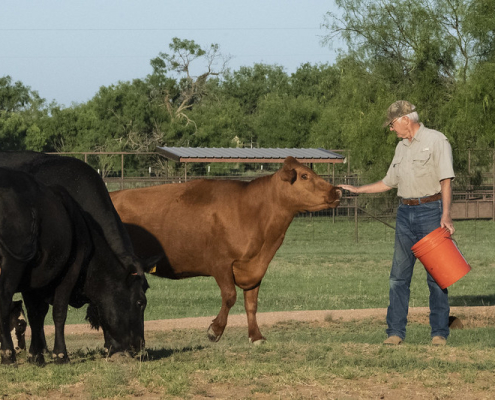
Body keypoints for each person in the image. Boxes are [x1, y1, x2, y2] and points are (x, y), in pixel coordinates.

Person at [340, 100, 455, 346]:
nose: (391, 129)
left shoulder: (437, 141)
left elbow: (446, 180)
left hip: (431, 212)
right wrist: (358, 189)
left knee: (436, 277)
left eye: (392, 124)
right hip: (405, 214)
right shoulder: (401, 148)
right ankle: (395, 333)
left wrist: (445, 215)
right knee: (398, 277)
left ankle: (439, 334)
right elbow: (388, 182)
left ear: (405, 119)